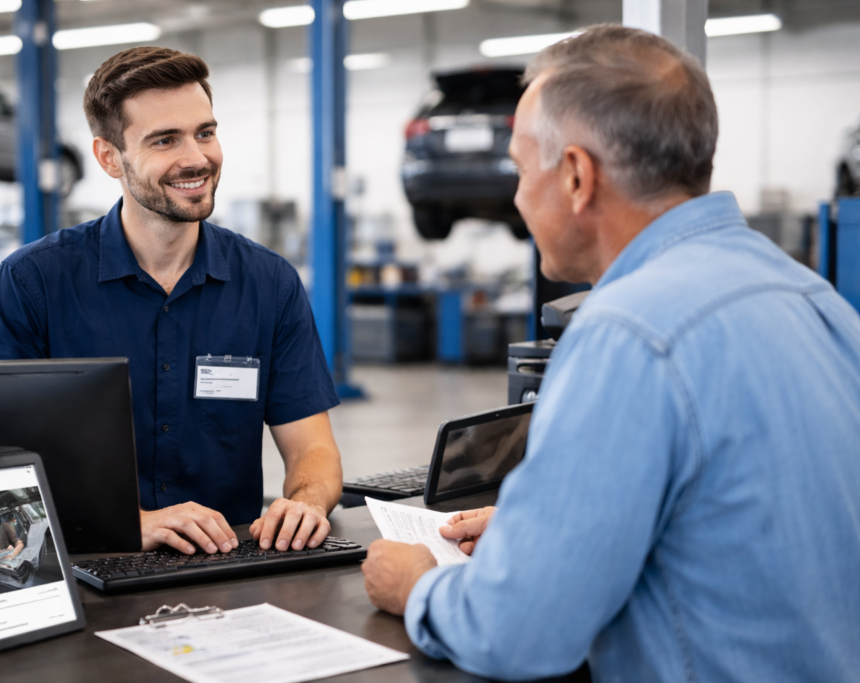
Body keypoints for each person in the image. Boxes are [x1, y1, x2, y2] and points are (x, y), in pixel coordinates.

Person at [362, 24, 860, 682]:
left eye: (518, 169)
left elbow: (521, 631)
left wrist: (419, 585)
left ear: (574, 175)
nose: (514, 195)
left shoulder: (626, 333)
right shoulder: (815, 299)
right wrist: (544, 522)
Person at [0, 47, 343, 557]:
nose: (196, 158)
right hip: (84, 560)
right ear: (108, 157)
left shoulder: (269, 283)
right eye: (165, 140)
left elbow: (313, 449)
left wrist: (307, 503)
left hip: (224, 566)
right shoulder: (34, 281)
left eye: (205, 133)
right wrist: (125, 523)